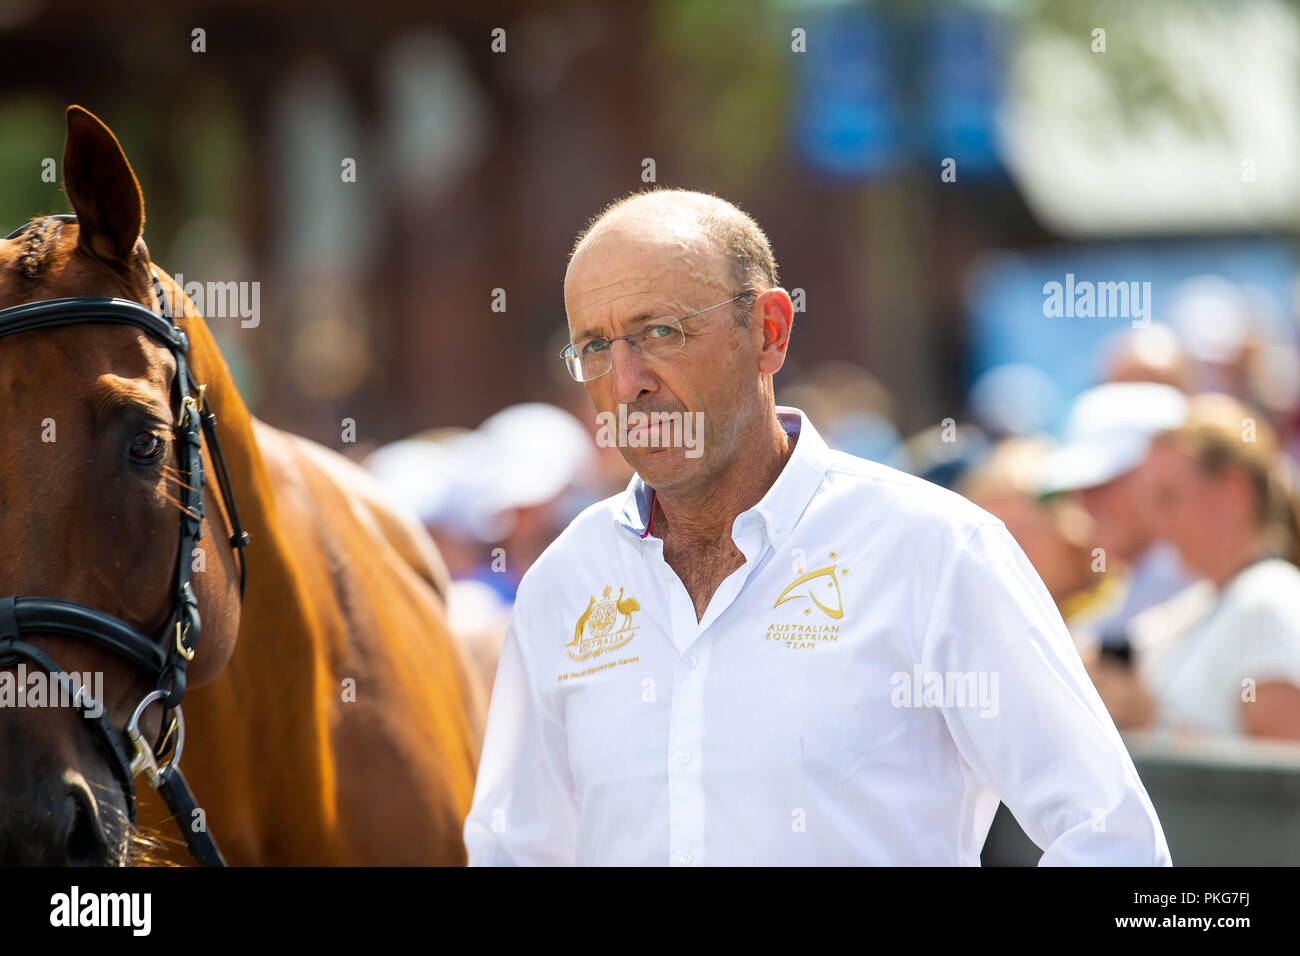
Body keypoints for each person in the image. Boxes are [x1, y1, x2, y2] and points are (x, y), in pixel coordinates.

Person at [462, 187, 1170, 865]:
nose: (625, 382)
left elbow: (1108, 836)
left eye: (660, 332)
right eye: (594, 347)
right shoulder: (563, 583)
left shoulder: (934, 549)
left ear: (767, 332)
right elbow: (511, 852)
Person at [1103, 394, 1300, 741]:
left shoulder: (1268, 599)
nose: (1161, 527)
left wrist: (1149, 720)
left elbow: (1282, 781)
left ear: (1234, 490)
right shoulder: (1205, 601)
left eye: (1170, 498)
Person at [1037, 383, 1193, 661]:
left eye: (1102, 485)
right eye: (1080, 488)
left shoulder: (1197, 582)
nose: (1085, 504)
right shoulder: (1121, 589)